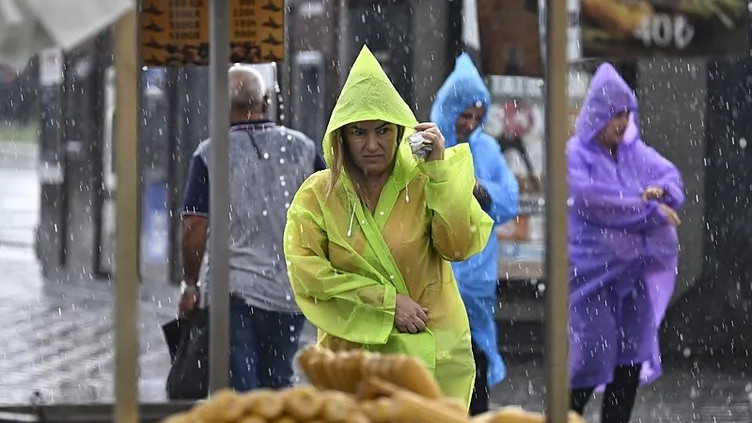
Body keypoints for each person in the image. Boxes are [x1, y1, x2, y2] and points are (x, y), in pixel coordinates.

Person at [283, 46, 494, 408]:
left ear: (398, 131)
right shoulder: (318, 195)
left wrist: (441, 173)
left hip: (430, 360)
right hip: (353, 367)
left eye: (382, 131)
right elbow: (308, 274)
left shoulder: (424, 178)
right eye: (358, 133)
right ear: (341, 138)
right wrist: (386, 305)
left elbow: (458, 245)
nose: (372, 145)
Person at [179, 64, 324, 391]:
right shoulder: (303, 148)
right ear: (267, 101)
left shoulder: (210, 153)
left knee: (240, 388)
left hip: (234, 292)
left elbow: (194, 227)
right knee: (277, 383)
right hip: (289, 290)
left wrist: (191, 285)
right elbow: (329, 211)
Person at [567, 63, 684, 423]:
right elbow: (592, 200)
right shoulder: (576, 154)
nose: (621, 121)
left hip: (633, 278)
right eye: (614, 113)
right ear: (598, 114)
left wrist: (662, 191)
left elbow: (670, 176)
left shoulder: (635, 152)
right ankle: (564, 416)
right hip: (593, 279)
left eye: (626, 113)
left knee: (629, 361)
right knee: (589, 360)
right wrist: (649, 210)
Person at [430, 53, 519, 415]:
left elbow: (509, 198)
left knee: (477, 358)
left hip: (477, 276)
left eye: (477, 117)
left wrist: (481, 191)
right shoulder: (429, 145)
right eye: (464, 114)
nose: (470, 123)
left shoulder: (488, 149)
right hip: (436, 276)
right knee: (439, 364)